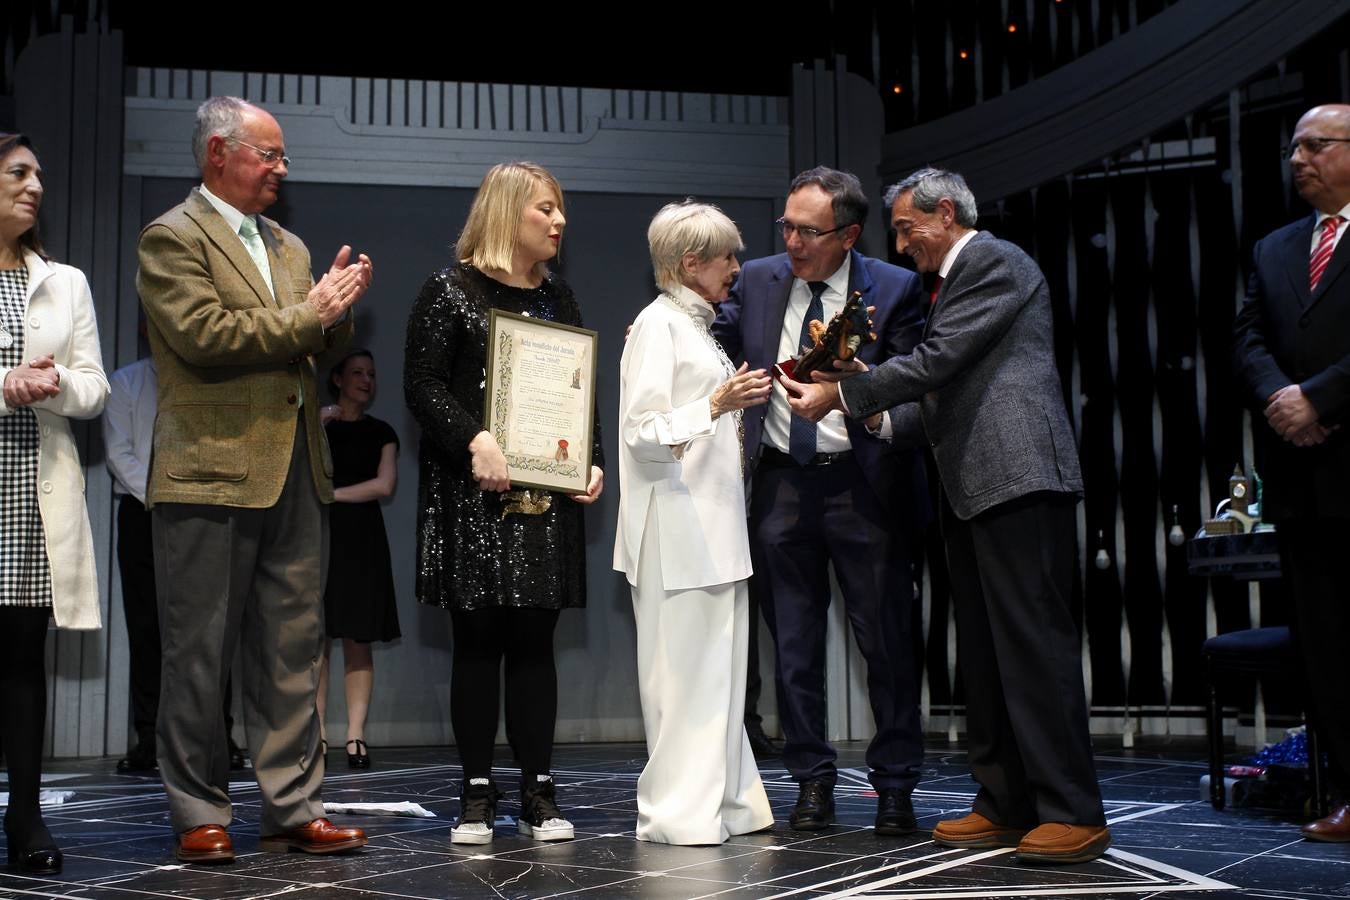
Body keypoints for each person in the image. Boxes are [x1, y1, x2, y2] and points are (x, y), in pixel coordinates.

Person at [786, 166, 1110, 865]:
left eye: (906, 229)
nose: (903, 246)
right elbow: (941, 392)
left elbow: (936, 362)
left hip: (1019, 479)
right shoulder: (957, 281)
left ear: (945, 214)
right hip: (973, 485)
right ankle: (1004, 801)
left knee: (1033, 645)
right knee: (990, 655)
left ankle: (1072, 810)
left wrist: (843, 399)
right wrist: (866, 403)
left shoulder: (994, 260)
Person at [136, 96, 371, 863]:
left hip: (297, 470)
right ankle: (199, 808)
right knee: (199, 651)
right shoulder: (171, 237)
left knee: (293, 651)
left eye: (281, 157)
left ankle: (294, 805)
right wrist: (313, 316)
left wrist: (332, 315)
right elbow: (206, 336)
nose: (280, 168)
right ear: (217, 154)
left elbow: (304, 342)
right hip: (209, 474)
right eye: (267, 154)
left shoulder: (290, 246)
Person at [709, 166, 928, 834]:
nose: (794, 242)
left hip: (864, 482)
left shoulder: (894, 289)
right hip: (780, 481)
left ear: (850, 234)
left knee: (886, 643)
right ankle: (810, 781)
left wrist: (862, 392)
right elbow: (711, 341)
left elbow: (921, 386)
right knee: (794, 646)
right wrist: (661, 336)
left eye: (809, 231)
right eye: (787, 227)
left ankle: (894, 787)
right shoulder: (757, 279)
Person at [404, 161, 604, 846]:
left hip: (544, 502)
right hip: (473, 499)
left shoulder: (560, 297)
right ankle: (476, 791)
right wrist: (475, 438)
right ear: (508, 210)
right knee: (478, 643)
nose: (559, 222)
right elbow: (424, 386)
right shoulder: (448, 290)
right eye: (545, 209)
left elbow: (579, 391)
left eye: (561, 210)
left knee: (535, 645)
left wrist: (589, 460)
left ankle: (539, 790)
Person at [615, 200, 775, 844]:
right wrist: (716, 402)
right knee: (685, 680)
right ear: (690, 264)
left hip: (712, 528)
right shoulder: (659, 325)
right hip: (677, 532)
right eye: (727, 257)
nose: (737, 267)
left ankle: (728, 803)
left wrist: (722, 399)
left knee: (717, 677)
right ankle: (679, 815)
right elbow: (641, 432)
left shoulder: (695, 327)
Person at [1234, 103, 1350, 843]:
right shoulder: (1275, 247)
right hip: (1303, 481)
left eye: (1316, 146)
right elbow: (1246, 335)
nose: (1298, 158)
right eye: (1294, 148)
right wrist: (1283, 397)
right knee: (1325, 643)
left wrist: (1319, 397)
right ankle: (1344, 789)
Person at [0, 132, 109, 875]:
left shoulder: (64, 281)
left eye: (39, 173)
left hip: (34, 494)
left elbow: (95, 386)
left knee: (19, 661)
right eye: (18, 172)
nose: (36, 184)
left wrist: (51, 384)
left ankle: (26, 817)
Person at [104, 350, 250, 775]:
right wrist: (159, 492)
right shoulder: (127, 381)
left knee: (210, 628)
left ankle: (217, 736)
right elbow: (119, 452)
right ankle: (149, 739)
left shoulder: (207, 379)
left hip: (200, 510)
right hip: (140, 509)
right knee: (147, 627)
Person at [317, 349, 401, 770]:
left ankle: (355, 735)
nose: (366, 380)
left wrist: (333, 496)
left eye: (371, 373)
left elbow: (384, 485)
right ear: (336, 378)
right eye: (356, 372)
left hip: (362, 538)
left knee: (357, 638)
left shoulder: (382, 431)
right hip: (319, 535)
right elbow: (297, 468)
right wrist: (317, 422)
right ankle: (315, 734)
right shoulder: (318, 426)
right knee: (318, 640)